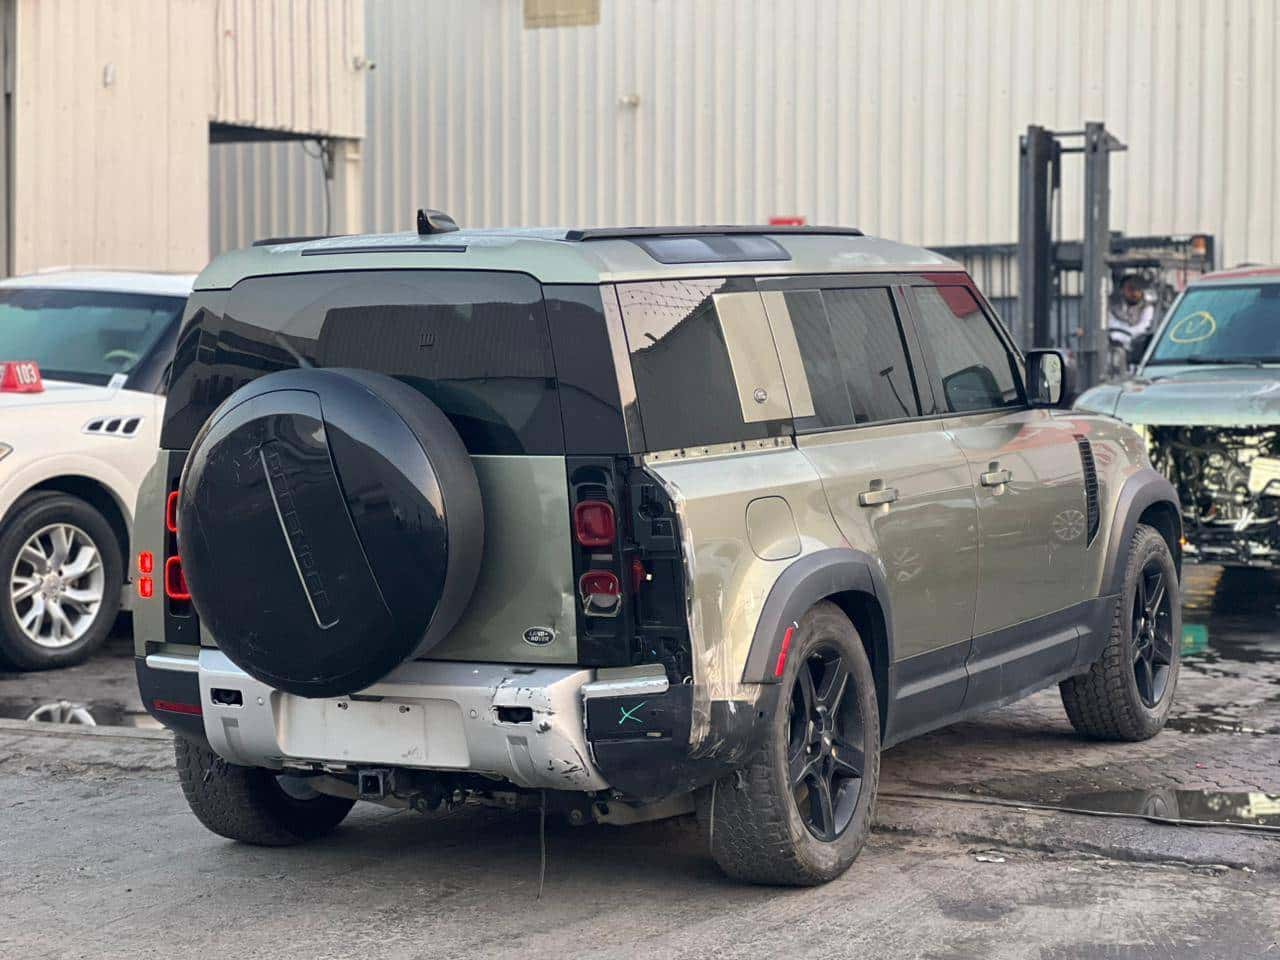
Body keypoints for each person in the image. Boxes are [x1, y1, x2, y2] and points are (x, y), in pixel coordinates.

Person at [1108, 274, 1156, 360]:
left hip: (1139, 352)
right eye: (1130, 289)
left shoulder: (1148, 307)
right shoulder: (1114, 307)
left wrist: (1125, 335)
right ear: (1122, 290)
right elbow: (1112, 326)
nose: (1134, 293)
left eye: (1138, 289)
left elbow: (1143, 328)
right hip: (1115, 351)